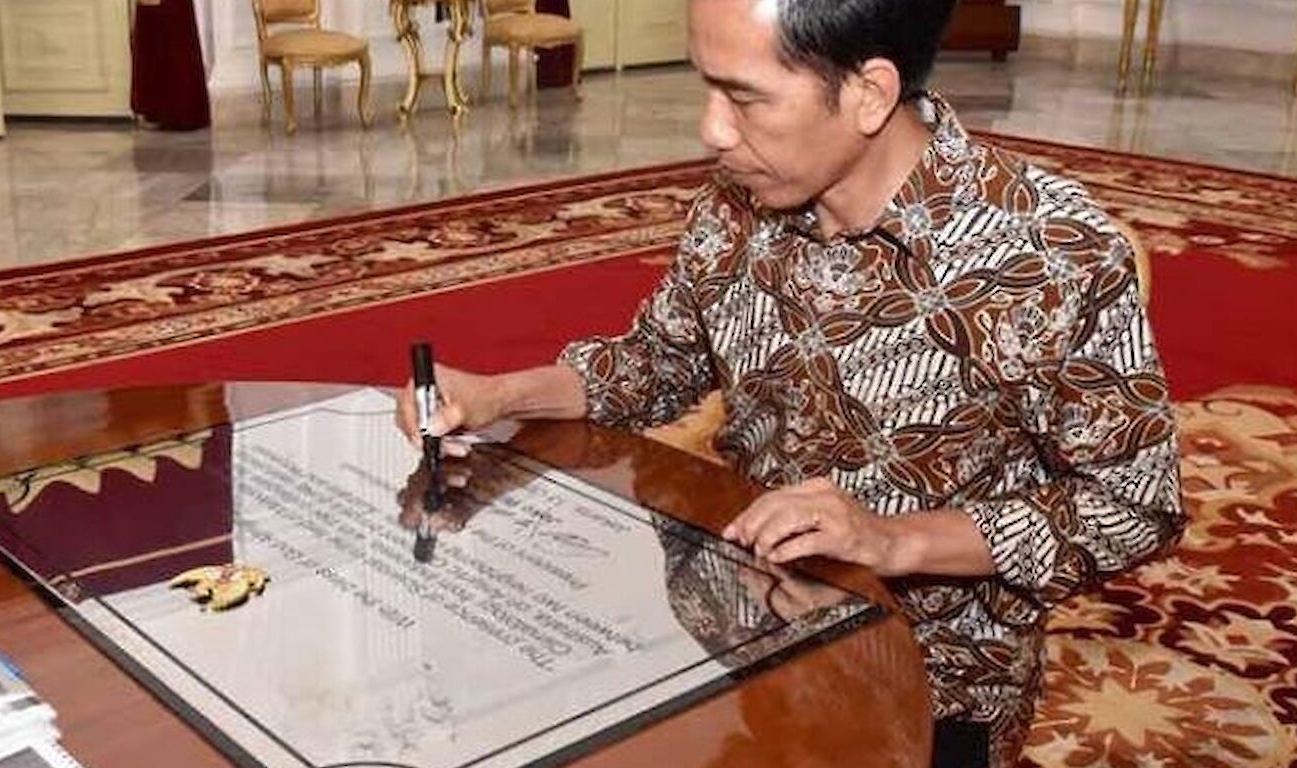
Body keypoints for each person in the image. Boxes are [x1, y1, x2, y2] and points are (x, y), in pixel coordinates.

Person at [392, 0, 1184, 765]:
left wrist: (890, 539)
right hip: (733, 641)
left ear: (869, 93)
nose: (711, 129)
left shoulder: (1046, 256)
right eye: (706, 85)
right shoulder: (739, 199)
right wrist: (497, 396)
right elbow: (659, 360)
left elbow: (1133, 502)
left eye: (744, 96)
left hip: (931, 689)